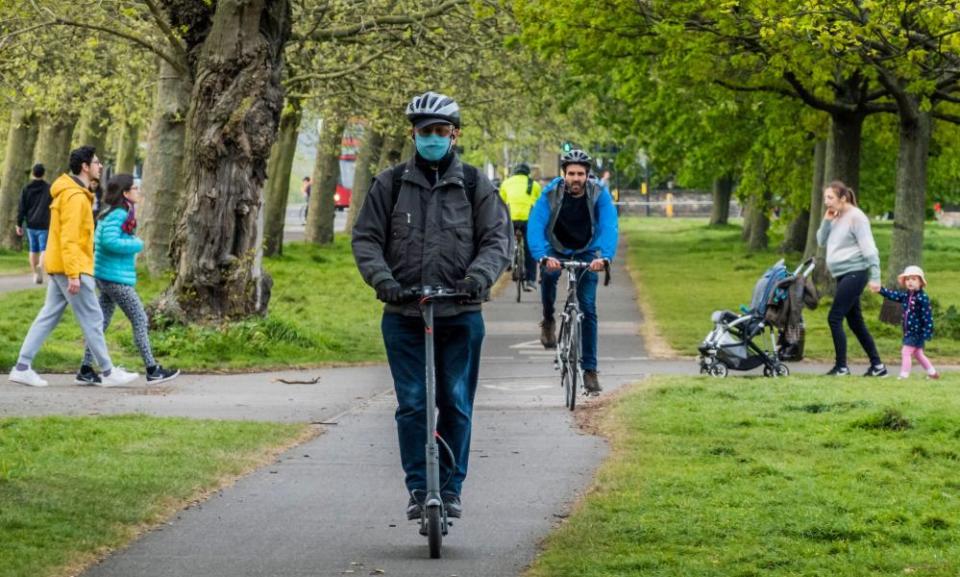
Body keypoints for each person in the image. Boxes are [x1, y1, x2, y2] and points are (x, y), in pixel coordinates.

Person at [352, 91, 511, 522]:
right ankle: (420, 488)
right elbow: (366, 239)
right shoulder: (390, 184)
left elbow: (497, 240)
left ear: (454, 134)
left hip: (460, 314)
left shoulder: (476, 185)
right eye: (425, 132)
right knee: (413, 403)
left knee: (456, 401)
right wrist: (383, 281)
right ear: (414, 135)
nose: (433, 138)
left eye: (441, 131)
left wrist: (478, 278)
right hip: (405, 315)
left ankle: (452, 487)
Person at [8, 146, 139, 388]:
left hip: (61, 264)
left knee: (48, 315)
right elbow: (70, 238)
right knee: (93, 317)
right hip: (72, 267)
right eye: (96, 162)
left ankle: (22, 366)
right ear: (85, 167)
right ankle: (109, 372)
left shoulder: (70, 192)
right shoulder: (76, 197)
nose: (100, 166)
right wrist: (74, 274)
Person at [527, 148, 619, 394]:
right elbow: (536, 224)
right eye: (571, 174)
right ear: (564, 174)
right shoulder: (551, 193)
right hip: (555, 248)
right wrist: (543, 256)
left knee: (588, 308)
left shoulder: (599, 193)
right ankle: (548, 319)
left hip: (586, 251)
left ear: (588, 175)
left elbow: (610, 225)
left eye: (580, 174)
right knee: (548, 275)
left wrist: (606, 257)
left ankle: (589, 370)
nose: (575, 178)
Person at [74, 174, 180, 385]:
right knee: (140, 319)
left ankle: (86, 369)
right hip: (115, 278)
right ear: (125, 193)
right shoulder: (120, 214)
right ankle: (152, 369)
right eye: (134, 188)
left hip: (106, 275)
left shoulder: (112, 212)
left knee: (101, 323)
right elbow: (109, 241)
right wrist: (136, 243)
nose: (138, 191)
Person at [816, 180, 887, 377]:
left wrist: (875, 277)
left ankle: (841, 367)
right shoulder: (836, 216)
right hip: (843, 274)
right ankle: (878, 367)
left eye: (830, 198)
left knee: (834, 317)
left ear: (843, 198)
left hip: (856, 272)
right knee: (855, 322)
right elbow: (821, 240)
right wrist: (827, 220)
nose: (826, 202)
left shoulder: (857, 217)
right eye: (825, 198)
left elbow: (870, 249)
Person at [871, 266, 939, 380]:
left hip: (916, 332)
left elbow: (927, 316)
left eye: (913, 279)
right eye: (907, 279)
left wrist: (928, 331)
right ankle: (933, 374)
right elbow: (894, 295)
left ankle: (904, 375)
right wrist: (880, 290)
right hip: (909, 331)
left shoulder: (922, 298)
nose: (910, 282)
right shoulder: (907, 295)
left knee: (905, 352)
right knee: (918, 354)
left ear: (921, 282)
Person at [499, 162, 542, 291]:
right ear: (528, 173)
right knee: (529, 249)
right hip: (528, 220)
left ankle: (507, 263)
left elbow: (501, 201)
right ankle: (530, 280)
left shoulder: (506, 183)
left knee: (506, 240)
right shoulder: (534, 185)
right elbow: (539, 204)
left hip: (511, 219)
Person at [16, 163, 51, 284]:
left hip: (31, 224)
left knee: (33, 249)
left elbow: (21, 208)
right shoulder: (49, 188)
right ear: (43, 173)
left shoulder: (26, 189)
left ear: (33, 173)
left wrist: (19, 224)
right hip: (45, 223)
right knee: (44, 248)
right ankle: (41, 265)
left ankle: (35, 274)